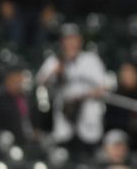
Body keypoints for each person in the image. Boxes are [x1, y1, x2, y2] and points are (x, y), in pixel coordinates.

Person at [35, 24, 107, 154]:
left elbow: (104, 87)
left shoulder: (91, 59)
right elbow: (40, 83)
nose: (72, 42)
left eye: (75, 39)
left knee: (89, 152)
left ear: (80, 40)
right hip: (65, 115)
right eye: (68, 39)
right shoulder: (55, 60)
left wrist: (84, 96)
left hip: (88, 114)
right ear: (62, 41)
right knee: (65, 152)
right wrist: (55, 72)